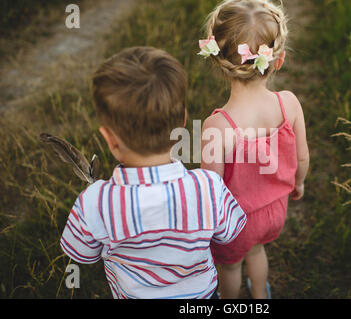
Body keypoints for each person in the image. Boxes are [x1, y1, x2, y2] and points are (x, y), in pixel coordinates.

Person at [60, 46, 247, 299]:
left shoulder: (95, 202)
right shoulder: (209, 187)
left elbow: (82, 252)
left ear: (110, 139)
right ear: (182, 121)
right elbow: (229, 233)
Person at [199, 0, 310, 299]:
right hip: (274, 210)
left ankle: (229, 300)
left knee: (231, 267)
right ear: (279, 60)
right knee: (258, 251)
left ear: (218, 61)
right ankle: (261, 295)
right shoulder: (289, 103)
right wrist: (298, 182)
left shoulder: (218, 127)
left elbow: (211, 190)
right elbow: (302, 156)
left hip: (236, 221)